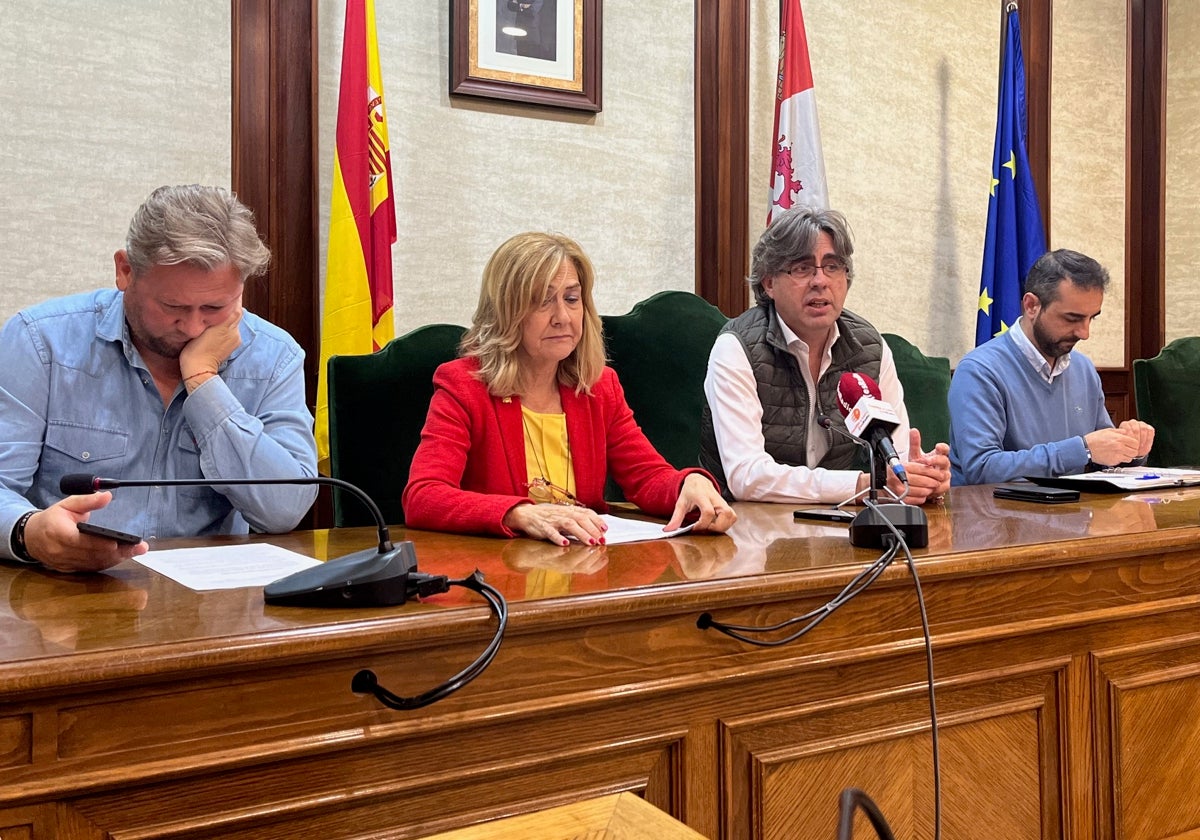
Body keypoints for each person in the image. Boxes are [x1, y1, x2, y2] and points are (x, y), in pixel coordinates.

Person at [0, 185, 319, 573]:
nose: (193, 325)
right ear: (125, 270)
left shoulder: (273, 356)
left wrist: (204, 382)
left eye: (215, 307)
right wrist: (28, 532)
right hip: (65, 594)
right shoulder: (40, 342)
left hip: (210, 606)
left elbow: (284, 511)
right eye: (173, 306)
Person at [402, 232, 736, 545]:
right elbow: (423, 495)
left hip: (582, 569)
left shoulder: (598, 386)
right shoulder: (464, 385)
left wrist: (689, 484)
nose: (563, 316)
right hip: (503, 573)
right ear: (506, 312)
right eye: (543, 301)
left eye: (572, 298)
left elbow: (646, 477)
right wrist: (518, 514)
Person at [699, 206, 951, 506]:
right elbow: (747, 476)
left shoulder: (871, 348)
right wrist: (861, 485)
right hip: (745, 528)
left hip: (838, 528)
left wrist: (919, 476)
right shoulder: (736, 348)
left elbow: (893, 461)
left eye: (832, 267)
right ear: (769, 283)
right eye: (802, 268)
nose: (820, 281)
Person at [949, 248, 1154, 485]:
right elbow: (982, 468)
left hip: (1075, 513)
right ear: (1031, 306)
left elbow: (1103, 460)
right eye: (1072, 318)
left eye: (1091, 318)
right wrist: (1082, 450)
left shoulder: (1084, 369)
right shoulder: (979, 371)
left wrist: (1131, 449)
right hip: (998, 517)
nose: (1084, 333)